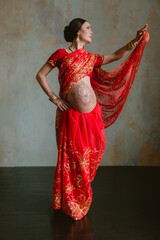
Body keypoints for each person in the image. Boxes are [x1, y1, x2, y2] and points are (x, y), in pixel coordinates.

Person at [36, 18, 149, 220]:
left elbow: (116, 55)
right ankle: (72, 201)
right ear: (77, 31)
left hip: (92, 116)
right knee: (75, 159)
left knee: (91, 154)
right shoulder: (61, 55)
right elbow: (40, 75)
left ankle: (81, 194)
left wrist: (134, 40)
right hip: (72, 117)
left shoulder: (90, 58)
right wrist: (54, 98)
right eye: (88, 28)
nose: (92, 32)